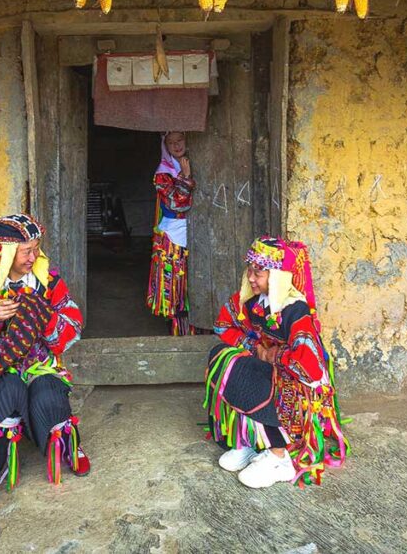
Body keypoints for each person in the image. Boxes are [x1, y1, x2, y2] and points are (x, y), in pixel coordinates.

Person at [0, 213, 90, 505]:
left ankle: (69, 444)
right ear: (5, 254)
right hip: (2, 368)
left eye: (36, 248)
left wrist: (47, 317)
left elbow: (74, 325)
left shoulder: (48, 282)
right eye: (26, 251)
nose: (34, 256)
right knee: (8, 393)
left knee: (49, 393)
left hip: (42, 364)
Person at [204, 236, 349, 489]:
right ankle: (253, 442)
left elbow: (311, 368)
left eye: (259, 272)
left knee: (263, 377)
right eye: (249, 270)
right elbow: (223, 325)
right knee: (223, 358)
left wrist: (276, 356)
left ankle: (280, 457)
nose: (251, 278)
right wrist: (254, 347)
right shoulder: (251, 302)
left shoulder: (295, 311)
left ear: (278, 276)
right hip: (269, 369)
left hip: (298, 381)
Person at [146, 131, 197, 335]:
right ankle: (180, 333)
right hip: (173, 237)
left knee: (192, 284)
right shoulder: (162, 173)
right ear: (165, 146)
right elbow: (177, 204)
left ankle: (196, 329)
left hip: (191, 231)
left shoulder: (191, 162)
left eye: (180, 140)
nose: (176, 146)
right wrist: (185, 178)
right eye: (171, 142)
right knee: (177, 288)